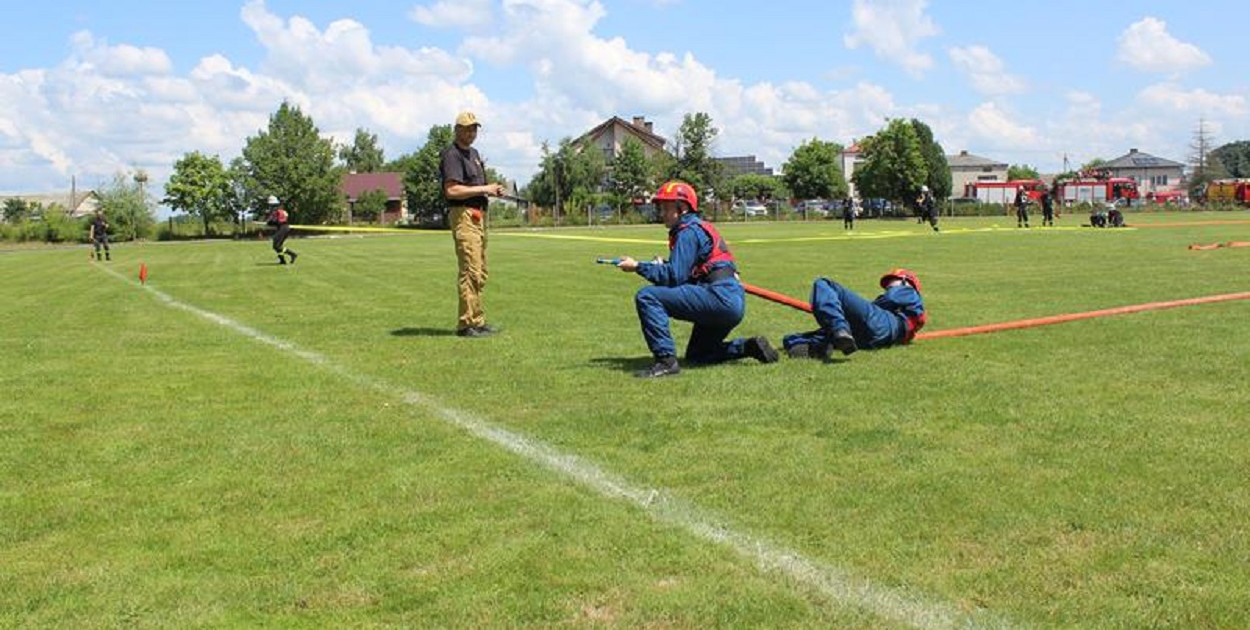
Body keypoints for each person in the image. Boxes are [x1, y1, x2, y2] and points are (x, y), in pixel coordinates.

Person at [615, 180, 779, 378]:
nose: (662, 213)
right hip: (731, 298)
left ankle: (666, 362)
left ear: (682, 208)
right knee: (698, 355)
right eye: (662, 208)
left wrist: (638, 267)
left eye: (667, 208)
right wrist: (660, 266)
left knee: (648, 297)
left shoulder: (688, 232)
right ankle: (747, 347)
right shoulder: (698, 227)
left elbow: (675, 277)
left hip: (717, 296)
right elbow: (686, 273)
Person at [440, 111, 505, 338]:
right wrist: (484, 189)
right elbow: (452, 190)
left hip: (479, 216)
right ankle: (466, 324)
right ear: (457, 130)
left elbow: (477, 186)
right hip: (464, 216)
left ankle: (477, 320)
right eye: (467, 128)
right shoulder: (452, 155)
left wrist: (492, 190)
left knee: (480, 271)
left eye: (474, 128)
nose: (471, 133)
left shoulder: (474, 154)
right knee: (470, 270)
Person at [782, 268, 927, 360]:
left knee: (823, 284)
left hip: (882, 323)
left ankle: (838, 330)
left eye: (891, 281)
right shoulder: (911, 312)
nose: (888, 286)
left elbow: (890, 298)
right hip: (872, 339)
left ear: (905, 281)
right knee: (801, 338)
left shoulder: (910, 292)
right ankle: (805, 347)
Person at [265, 196, 297, 265]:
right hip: (283, 228)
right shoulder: (278, 210)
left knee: (276, 246)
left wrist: (270, 222)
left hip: (283, 228)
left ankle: (292, 254)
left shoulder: (277, 210)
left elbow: (278, 221)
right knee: (278, 246)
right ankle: (282, 260)